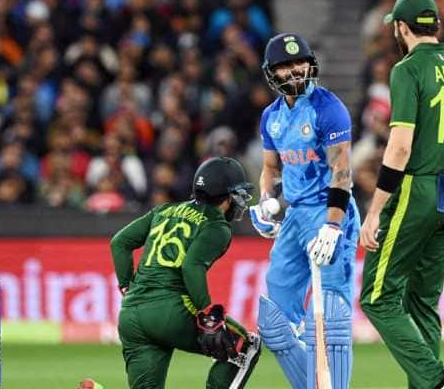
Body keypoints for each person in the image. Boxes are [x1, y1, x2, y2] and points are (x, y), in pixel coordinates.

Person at [358, 0, 444, 389]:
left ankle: (436, 380)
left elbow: (399, 146)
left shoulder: (407, 69)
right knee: (423, 302)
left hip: (418, 188)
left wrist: (376, 209)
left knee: (377, 297)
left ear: (401, 27)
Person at [249, 33, 360, 389]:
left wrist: (332, 227)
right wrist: (267, 202)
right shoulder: (272, 117)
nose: (295, 70)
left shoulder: (329, 108)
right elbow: (271, 168)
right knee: (274, 323)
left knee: (331, 318)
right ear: (272, 73)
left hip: (330, 211)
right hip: (296, 216)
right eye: (285, 65)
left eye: (299, 62)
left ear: (310, 64)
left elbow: (342, 174)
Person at [111, 157, 261, 389]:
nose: (240, 201)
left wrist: (126, 286)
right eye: (238, 194)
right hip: (171, 310)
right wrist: (207, 313)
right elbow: (191, 266)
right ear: (226, 196)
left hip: (132, 314)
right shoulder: (217, 226)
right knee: (245, 345)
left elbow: (119, 242)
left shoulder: (164, 210)